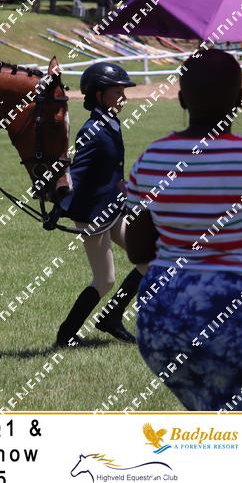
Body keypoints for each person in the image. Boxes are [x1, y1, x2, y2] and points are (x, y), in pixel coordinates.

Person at [125, 48, 242, 411]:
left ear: (181, 98)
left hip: (162, 321)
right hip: (236, 313)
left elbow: (138, 250)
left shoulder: (152, 157)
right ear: (240, 99)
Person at [54, 62, 147, 347]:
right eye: (117, 92)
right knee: (105, 279)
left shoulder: (111, 122)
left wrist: (126, 193)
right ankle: (66, 335)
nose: (123, 98)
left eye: (123, 92)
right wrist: (60, 206)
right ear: (98, 95)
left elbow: (111, 170)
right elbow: (78, 172)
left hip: (114, 209)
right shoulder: (92, 130)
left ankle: (112, 317)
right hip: (93, 215)